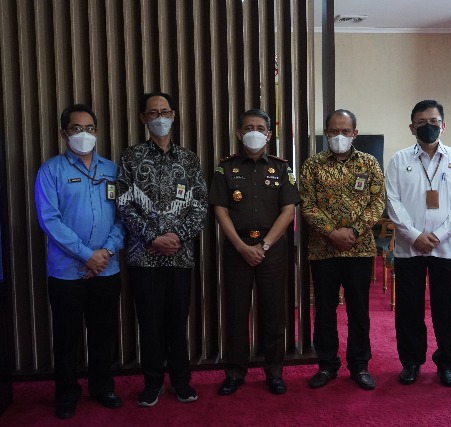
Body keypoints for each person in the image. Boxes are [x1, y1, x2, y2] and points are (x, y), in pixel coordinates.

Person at [116, 92, 208, 406]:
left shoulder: (189, 159)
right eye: (153, 112)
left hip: (180, 256)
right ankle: (153, 382)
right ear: (143, 118)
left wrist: (177, 237)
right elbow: (124, 204)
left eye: (165, 111)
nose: (160, 117)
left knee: (178, 322)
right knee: (149, 323)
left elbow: (200, 206)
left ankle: (181, 381)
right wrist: (153, 238)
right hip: (143, 256)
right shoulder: (130, 157)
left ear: (174, 115)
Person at [35, 104, 125, 419]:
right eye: (76, 128)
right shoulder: (51, 171)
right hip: (66, 273)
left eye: (89, 128)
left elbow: (123, 217)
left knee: (103, 334)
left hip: (107, 269)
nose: (83, 134)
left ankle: (102, 387)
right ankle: (67, 393)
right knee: (66, 337)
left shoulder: (112, 170)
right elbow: (49, 220)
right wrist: (87, 255)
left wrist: (106, 253)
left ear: (96, 132)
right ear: (64, 133)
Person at [209, 108, 300, 396]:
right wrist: (241, 246)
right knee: (236, 313)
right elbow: (220, 209)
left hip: (271, 250)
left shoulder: (282, 168)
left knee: (274, 313)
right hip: (237, 248)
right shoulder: (225, 168)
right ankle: (235, 372)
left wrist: (264, 246)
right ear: (239, 133)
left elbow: (288, 210)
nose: (254, 132)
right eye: (248, 128)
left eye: (260, 128)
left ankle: (274, 372)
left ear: (269, 134)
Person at [385, 100, 451, 387]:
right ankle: (411, 362)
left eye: (433, 121)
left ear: (443, 125)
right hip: (408, 248)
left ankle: (446, 363)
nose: (428, 126)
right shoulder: (399, 160)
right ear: (411, 127)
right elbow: (392, 202)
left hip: (445, 248)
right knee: (409, 308)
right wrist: (415, 235)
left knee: (445, 308)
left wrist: (439, 235)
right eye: (421, 122)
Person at [300, 109, 385, 391]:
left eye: (345, 131)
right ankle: (327, 365)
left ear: (354, 133)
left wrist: (354, 231)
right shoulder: (312, 165)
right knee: (324, 310)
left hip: (359, 250)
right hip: (323, 250)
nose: (339, 136)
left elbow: (377, 202)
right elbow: (307, 203)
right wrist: (331, 232)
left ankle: (359, 365)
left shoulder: (369, 163)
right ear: (326, 133)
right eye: (334, 131)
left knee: (359, 310)